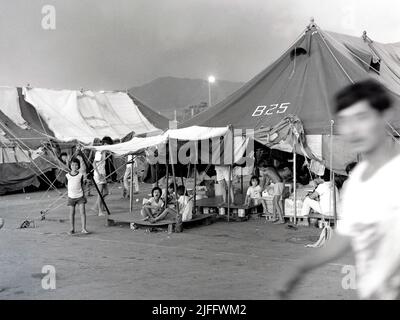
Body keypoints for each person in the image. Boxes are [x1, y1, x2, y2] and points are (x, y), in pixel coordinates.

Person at [277, 79, 400, 300]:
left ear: (385, 116)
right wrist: (300, 268)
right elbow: (345, 236)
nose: (353, 130)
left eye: (361, 117)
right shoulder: (357, 182)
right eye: (345, 121)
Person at [66, 158, 88, 235]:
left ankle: (83, 228)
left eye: (76, 165)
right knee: (71, 213)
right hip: (71, 197)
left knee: (83, 212)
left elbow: (82, 186)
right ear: (70, 165)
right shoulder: (67, 175)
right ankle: (72, 229)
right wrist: (68, 194)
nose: (74, 166)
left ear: (78, 166)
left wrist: (84, 196)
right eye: (72, 165)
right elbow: (67, 186)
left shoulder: (80, 175)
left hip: (80, 196)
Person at [93, 150, 108, 216]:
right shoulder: (99, 152)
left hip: (103, 174)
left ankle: (96, 206)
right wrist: (99, 174)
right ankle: (99, 211)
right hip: (99, 175)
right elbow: (93, 164)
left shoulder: (105, 152)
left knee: (106, 192)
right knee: (100, 193)